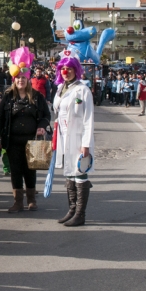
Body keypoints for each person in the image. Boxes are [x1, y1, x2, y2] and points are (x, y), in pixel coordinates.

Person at [0, 47, 50, 213]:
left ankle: (31, 200)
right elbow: (0, 120)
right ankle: (18, 202)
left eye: (23, 78)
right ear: (14, 79)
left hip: (31, 140)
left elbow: (46, 115)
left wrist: (41, 126)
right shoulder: (8, 98)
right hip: (12, 141)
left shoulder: (37, 96)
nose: (21, 81)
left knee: (30, 170)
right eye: (18, 78)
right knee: (15, 171)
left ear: (28, 78)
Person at [52, 55, 95, 227]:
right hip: (64, 136)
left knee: (80, 174)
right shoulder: (60, 88)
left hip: (78, 137)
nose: (66, 72)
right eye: (63, 68)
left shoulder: (83, 90)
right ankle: (71, 210)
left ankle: (80, 214)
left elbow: (88, 118)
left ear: (76, 70)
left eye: (69, 69)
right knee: (69, 173)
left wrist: (86, 143)